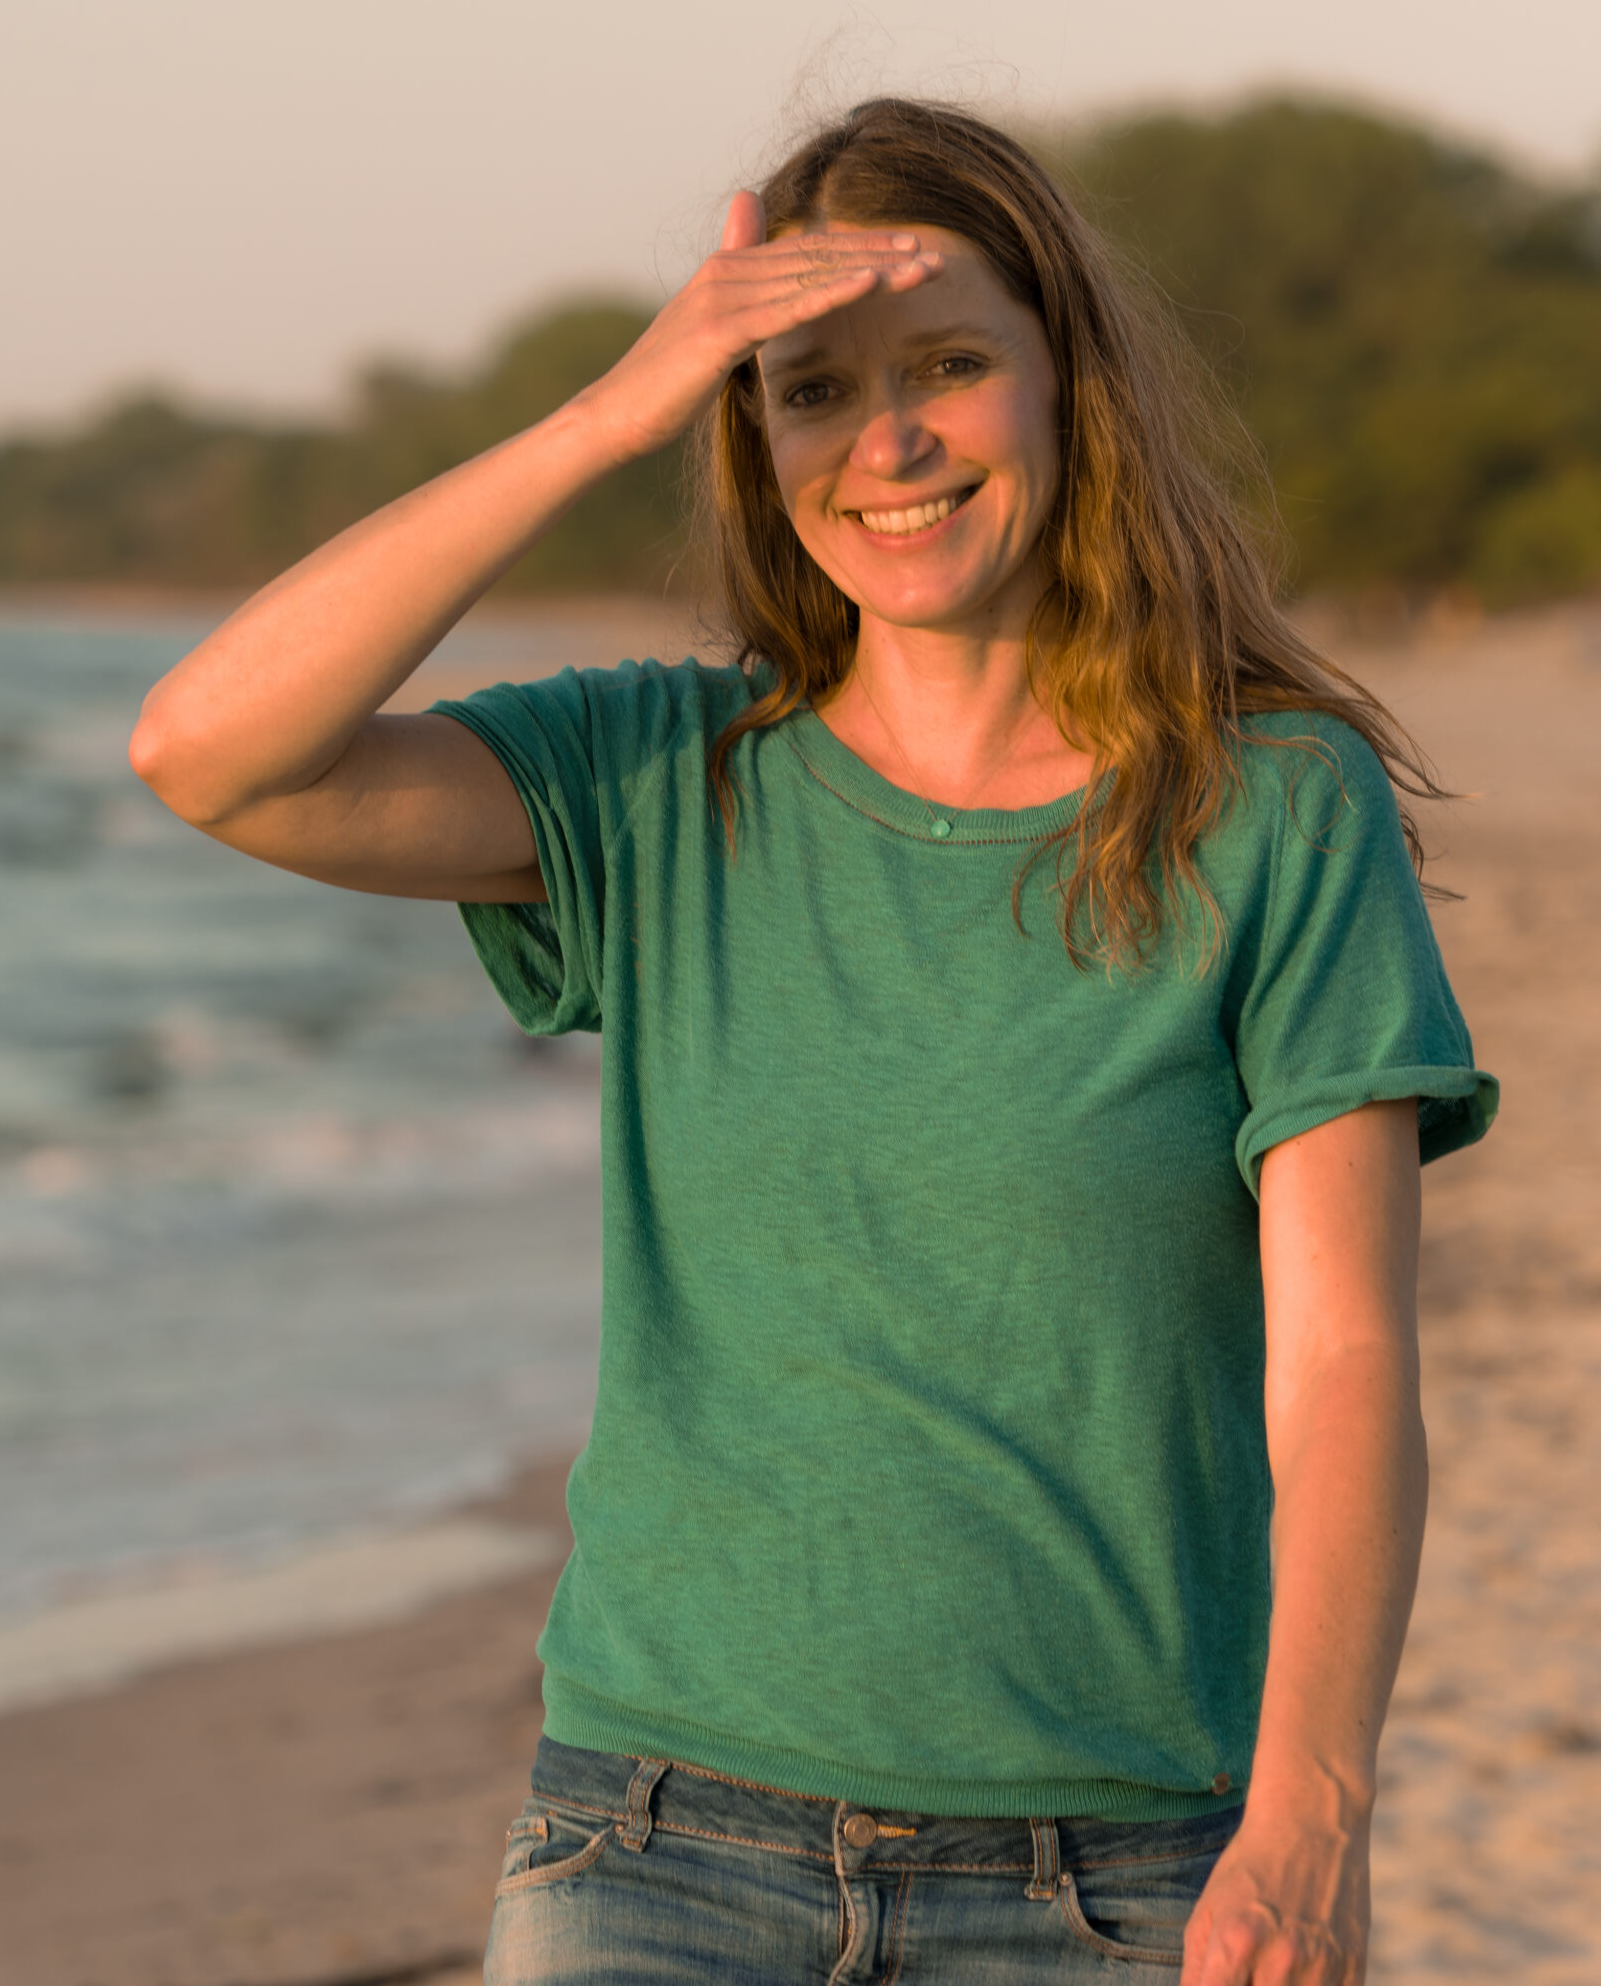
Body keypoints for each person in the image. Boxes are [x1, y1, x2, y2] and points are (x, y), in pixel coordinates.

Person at [131, 98, 1494, 1984]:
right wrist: (607, 414)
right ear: (751, 434)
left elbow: (1342, 1359)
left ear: (1067, 380)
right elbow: (209, 754)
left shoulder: (1268, 806)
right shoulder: (657, 780)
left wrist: (1312, 1817)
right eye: (813, 391)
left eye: (949, 365)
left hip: (1114, 1876)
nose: (889, 442)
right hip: (653, 1854)